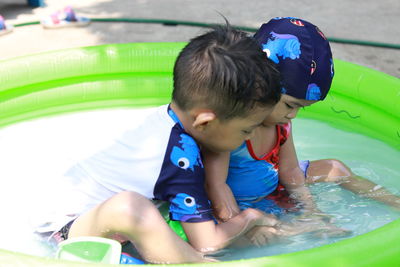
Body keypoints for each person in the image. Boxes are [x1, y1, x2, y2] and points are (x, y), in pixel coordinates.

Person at [34, 24, 283, 264]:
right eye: (246, 130)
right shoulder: (178, 156)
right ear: (205, 121)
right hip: (69, 236)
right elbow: (208, 242)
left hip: (98, 225)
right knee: (130, 209)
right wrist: (252, 217)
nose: (249, 138)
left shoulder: (176, 124)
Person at [205, 17, 400, 246]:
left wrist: (312, 212)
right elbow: (214, 186)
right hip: (239, 203)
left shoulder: (282, 123)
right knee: (258, 236)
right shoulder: (233, 125)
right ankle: (293, 233)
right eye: (290, 104)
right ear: (259, 86)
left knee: (335, 168)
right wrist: (239, 222)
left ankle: (395, 203)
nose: (293, 115)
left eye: (300, 108)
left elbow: (290, 171)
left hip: (273, 186)